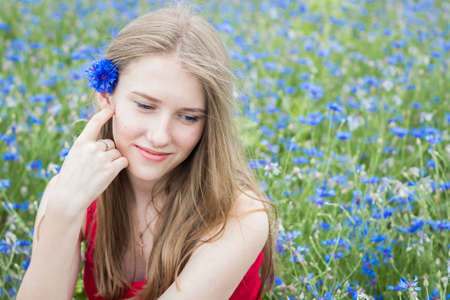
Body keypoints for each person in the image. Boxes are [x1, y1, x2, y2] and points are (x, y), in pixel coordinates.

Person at [17, 4, 277, 300]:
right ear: (106, 95)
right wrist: (62, 212)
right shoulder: (71, 195)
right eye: (145, 106)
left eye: (188, 117)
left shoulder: (240, 215)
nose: (159, 136)